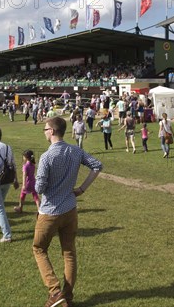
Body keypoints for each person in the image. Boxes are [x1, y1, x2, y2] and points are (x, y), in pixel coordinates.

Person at [34, 117, 103, 307]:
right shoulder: (75, 150)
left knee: (39, 249)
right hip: (70, 209)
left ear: (53, 131)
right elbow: (97, 165)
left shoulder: (47, 157)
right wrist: (81, 189)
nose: (44, 132)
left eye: (45, 129)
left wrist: (35, 178)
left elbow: (39, 188)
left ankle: (55, 292)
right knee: (69, 253)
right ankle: (67, 298)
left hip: (49, 211)